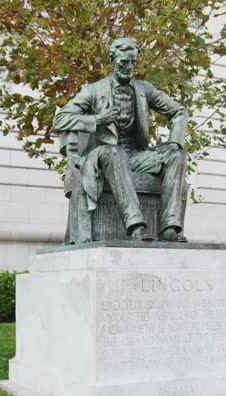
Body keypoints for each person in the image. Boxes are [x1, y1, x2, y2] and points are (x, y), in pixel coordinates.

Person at [54, 37, 189, 242]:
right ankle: (135, 226)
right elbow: (60, 119)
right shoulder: (94, 90)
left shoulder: (144, 89)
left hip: (136, 155)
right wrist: (97, 119)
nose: (129, 67)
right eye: (124, 62)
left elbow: (179, 111)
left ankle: (169, 226)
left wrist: (174, 142)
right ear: (113, 60)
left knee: (177, 156)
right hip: (105, 154)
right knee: (116, 153)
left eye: (133, 62)